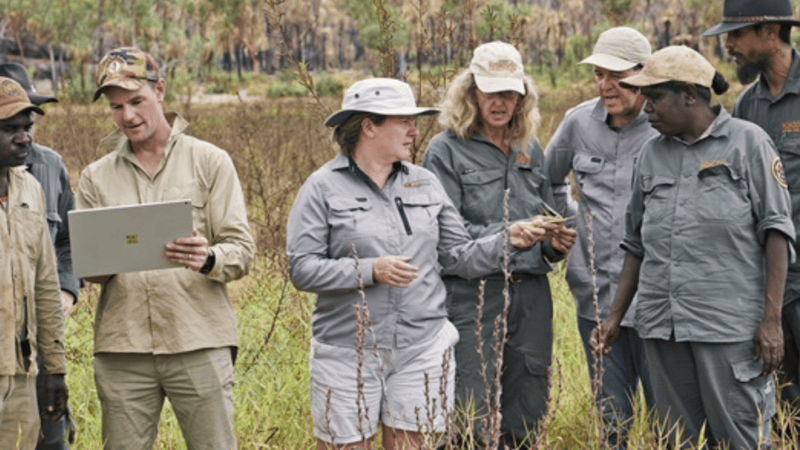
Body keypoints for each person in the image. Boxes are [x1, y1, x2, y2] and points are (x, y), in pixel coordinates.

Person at [286, 77, 554, 450]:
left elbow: (459, 256)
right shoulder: (322, 188)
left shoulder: (425, 184)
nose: (415, 130)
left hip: (420, 346)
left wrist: (508, 239)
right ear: (369, 125)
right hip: (350, 349)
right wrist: (369, 270)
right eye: (404, 121)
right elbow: (301, 268)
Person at [592, 45, 794, 449]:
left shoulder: (748, 144)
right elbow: (636, 243)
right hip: (662, 326)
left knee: (741, 437)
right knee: (675, 441)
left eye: (655, 98)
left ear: (689, 94)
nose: (645, 109)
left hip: (727, 330)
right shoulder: (652, 155)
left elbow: (777, 232)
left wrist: (772, 319)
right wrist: (615, 316)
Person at [75, 47, 255, 450]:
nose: (128, 116)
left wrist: (208, 257)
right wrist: (101, 260)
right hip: (124, 348)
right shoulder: (94, 178)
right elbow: (89, 269)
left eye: (136, 101)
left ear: (160, 90)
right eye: (116, 106)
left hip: (198, 339)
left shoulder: (210, 161)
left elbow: (241, 250)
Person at [421, 41, 576, 448]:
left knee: (527, 404)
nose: (500, 102)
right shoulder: (445, 151)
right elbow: (444, 237)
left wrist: (554, 244)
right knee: (470, 408)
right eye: (491, 92)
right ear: (472, 91)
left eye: (509, 93)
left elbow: (544, 218)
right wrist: (508, 234)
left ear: (522, 96)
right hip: (473, 293)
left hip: (531, 295)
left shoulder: (530, 148)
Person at [543, 27, 656, 447]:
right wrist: (571, 223)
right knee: (612, 419)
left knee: (665, 416)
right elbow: (548, 180)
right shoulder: (577, 123)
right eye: (598, 75)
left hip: (655, 303)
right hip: (596, 297)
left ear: (644, 73)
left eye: (618, 75)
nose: (606, 85)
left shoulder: (666, 124)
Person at [703, 0, 800, 416]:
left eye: (736, 35)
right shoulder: (747, 106)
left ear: (770, 32)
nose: (729, 46)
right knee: (780, 406)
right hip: (773, 289)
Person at [0, 62, 79, 450]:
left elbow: (47, 286)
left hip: (22, 370)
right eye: (9, 129)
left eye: (26, 127)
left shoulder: (31, 187)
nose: (23, 138)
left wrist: (55, 370)